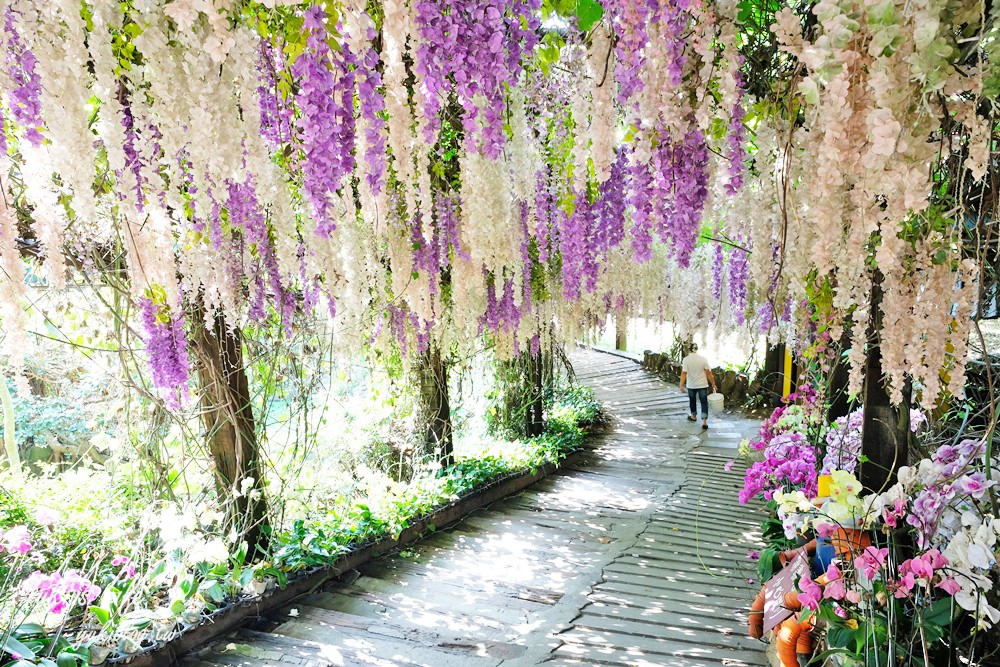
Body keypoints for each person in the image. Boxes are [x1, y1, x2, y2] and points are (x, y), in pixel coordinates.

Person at [679, 343, 717, 429]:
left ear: (688, 349)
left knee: (692, 400)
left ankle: (693, 416)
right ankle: (704, 422)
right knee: (704, 402)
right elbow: (709, 373)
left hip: (691, 384)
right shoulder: (703, 359)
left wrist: (681, 384)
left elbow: (684, 373)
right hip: (702, 384)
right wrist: (713, 384)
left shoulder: (686, 360)